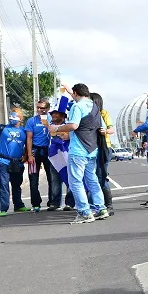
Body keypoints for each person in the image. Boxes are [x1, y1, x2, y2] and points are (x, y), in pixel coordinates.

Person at [48, 83, 108, 224]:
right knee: (92, 180)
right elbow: (102, 128)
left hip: (78, 150)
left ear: (75, 93)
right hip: (92, 150)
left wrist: (56, 128)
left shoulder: (77, 107)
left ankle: (85, 212)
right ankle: (101, 208)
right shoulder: (95, 107)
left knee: (75, 182)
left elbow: (74, 125)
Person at [0, 107, 29, 216]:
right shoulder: (1, 128)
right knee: (3, 185)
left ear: (21, 118)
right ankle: (2, 208)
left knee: (17, 184)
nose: (11, 118)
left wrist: (26, 155)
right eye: (11, 116)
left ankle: (18, 205)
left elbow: (28, 143)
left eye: (15, 116)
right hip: (3, 161)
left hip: (18, 162)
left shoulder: (24, 131)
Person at [24, 98, 53, 212]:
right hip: (35, 151)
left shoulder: (52, 119)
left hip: (49, 151)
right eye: (38, 108)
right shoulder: (31, 121)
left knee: (52, 178)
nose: (40, 110)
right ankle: (36, 203)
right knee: (33, 178)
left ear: (48, 109)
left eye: (43, 108)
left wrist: (48, 125)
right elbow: (29, 138)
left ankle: (52, 202)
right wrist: (30, 155)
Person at [47, 96, 75, 210]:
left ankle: (70, 202)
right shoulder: (48, 126)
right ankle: (55, 202)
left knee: (69, 178)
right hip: (53, 156)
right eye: (52, 113)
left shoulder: (68, 125)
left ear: (63, 115)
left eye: (56, 113)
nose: (53, 115)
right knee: (55, 180)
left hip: (66, 155)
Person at [90, 92, 115, 215]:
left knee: (101, 177)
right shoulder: (88, 114)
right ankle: (95, 205)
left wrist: (105, 131)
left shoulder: (103, 113)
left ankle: (108, 206)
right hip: (91, 148)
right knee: (92, 178)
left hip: (104, 148)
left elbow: (111, 129)